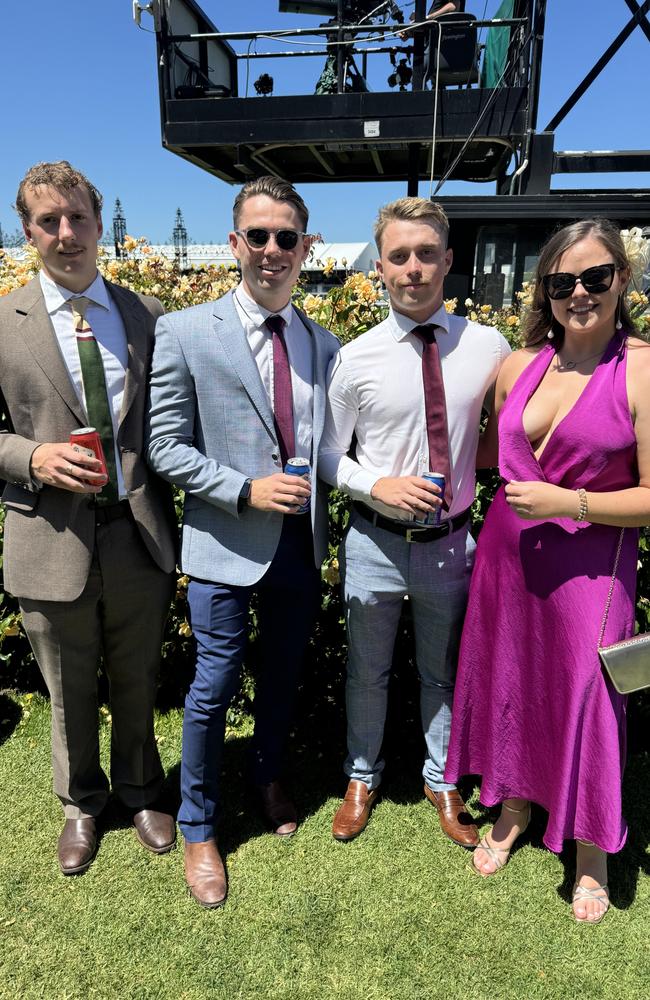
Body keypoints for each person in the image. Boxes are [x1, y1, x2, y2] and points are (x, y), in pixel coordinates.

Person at [445, 218, 650, 924]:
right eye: (563, 283)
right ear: (547, 291)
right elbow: (482, 453)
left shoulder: (644, 368)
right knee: (516, 679)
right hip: (508, 559)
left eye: (595, 278)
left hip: (593, 566)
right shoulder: (517, 366)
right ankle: (516, 806)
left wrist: (573, 501)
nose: (579, 294)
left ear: (622, 279)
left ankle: (593, 848)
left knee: (591, 694)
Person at [146, 175, 339, 909]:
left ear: (304, 246)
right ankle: (198, 825)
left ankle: (266, 775)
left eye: (285, 237)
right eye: (256, 236)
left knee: (284, 674)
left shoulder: (324, 343)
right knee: (214, 685)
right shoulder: (187, 331)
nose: (271, 250)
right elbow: (164, 445)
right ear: (234, 243)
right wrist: (243, 489)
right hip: (224, 542)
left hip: (298, 545)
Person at [0, 161, 178, 875]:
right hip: (48, 536)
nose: (66, 234)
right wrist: (30, 459)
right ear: (28, 231)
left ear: (100, 227)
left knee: (138, 671)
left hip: (138, 533)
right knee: (67, 687)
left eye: (77, 218)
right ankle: (81, 802)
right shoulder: (3, 325)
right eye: (49, 221)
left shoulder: (149, 318)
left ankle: (139, 787)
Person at [319, 197, 509, 844]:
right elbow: (324, 456)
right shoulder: (355, 358)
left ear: (448, 261)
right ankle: (362, 775)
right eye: (399, 256)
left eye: (427, 254)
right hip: (374, 541)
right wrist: (378, 484)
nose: (414, 268)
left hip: (452, 545)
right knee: (365, 669)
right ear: (379, 267)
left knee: (443, 670)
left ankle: (442, 778)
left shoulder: (488, 347)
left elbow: (508, 433)